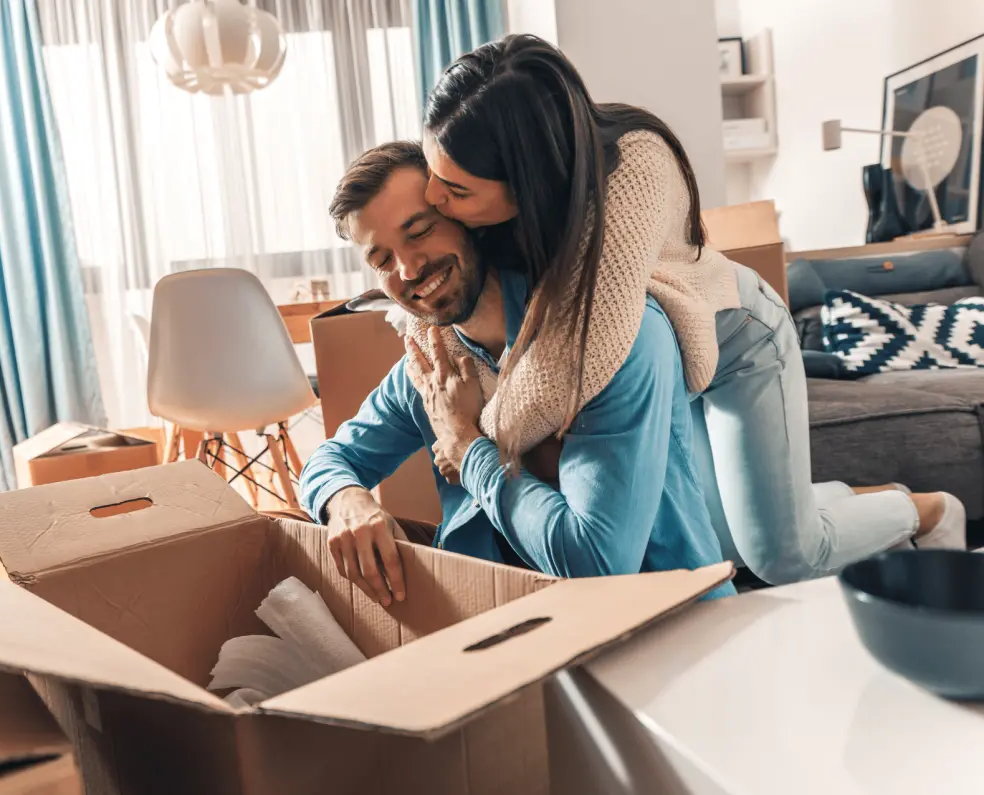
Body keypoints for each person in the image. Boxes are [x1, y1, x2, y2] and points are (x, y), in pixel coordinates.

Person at [412, 33, 965, 585]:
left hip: (740, 342)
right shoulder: (493, 194)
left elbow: (582, 350)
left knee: (782, 557)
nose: (434, 199)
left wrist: (468, 436)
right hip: (672, 358)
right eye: (431, 174)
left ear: (527, 183)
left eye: (455, 191)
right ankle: (822, 504)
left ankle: (927, 511)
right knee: (725, 539)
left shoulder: (634, 166)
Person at [298, 141, 735, 606]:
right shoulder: (430, 367)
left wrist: (469, 451)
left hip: (669, 624)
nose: (407, 268)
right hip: (510, 628)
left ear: (467, 219)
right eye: (382, 260)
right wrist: (345, 500)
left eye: (420, 231)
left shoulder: (614, 334)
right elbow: (328, 461)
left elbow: (597, 562)